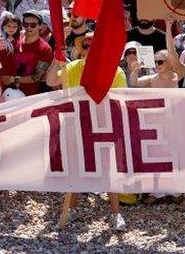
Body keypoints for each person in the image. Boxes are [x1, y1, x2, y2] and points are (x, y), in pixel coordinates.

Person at [46, 36, 129, 232]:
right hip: (76, 124)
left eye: (95, 45)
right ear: (81, 49)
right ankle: (71, 209)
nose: (90, 48)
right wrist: (56, 59)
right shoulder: (73, 66)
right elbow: (51, 81)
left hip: (104, 125)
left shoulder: (114, 71)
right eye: (86, 45)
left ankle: (115, 213)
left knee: (109, 170)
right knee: (75, 167)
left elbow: (121, 99)